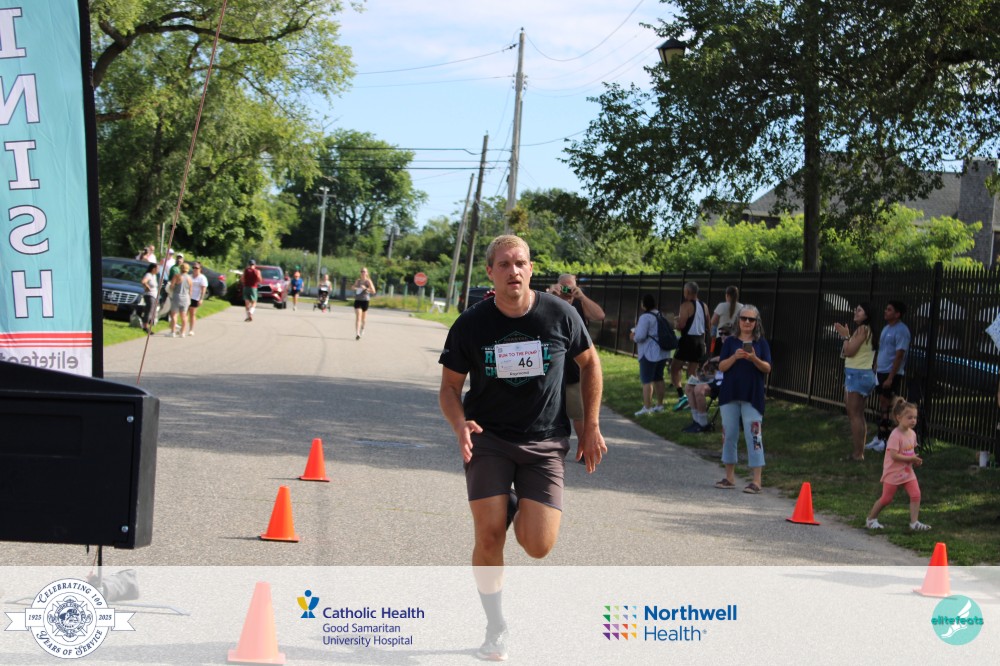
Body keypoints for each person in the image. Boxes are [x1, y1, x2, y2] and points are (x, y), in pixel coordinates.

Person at [438, 235, 607, 661]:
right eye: (504, 264)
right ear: (490, 273)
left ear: (531, 269)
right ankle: (495, 626)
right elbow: (450, 387)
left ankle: (512, 504)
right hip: (489, 439)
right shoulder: (471, 324)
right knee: (489, 534)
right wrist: (459, 424)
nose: (513, 271)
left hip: (545, 441)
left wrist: (590, 425)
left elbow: (590, 363)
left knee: (538, 545)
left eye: (520, 263)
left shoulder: (560, 314)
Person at [714, 305, 772, 494]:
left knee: (754, 435)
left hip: (752, 395)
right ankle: (729, 477)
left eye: (751, 319)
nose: (747, 322)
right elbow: (721, 367)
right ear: (738, 320)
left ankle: (756, 480)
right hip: (730, 394)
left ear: (756, 322)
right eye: (744, 318)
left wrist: (754, 358)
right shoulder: (730, 342)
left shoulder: (761, 343)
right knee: (729, 434)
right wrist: (735, 357)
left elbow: (767, 368)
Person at [548, 273, 606, 436]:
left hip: (575, 370)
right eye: (564, 286)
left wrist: (582, 297)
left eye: (571, 286)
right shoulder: (550, 301)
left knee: (580, 415)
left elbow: (600, 315)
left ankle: (584, 445)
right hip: (553, 369)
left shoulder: (580, 304)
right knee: (550, 416)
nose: (567, 290)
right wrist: (551, 295)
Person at [865, 398, 931, 531]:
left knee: (916, 494)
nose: (913, 420)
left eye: (915, 417)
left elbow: (911, 451)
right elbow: (894, 456)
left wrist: (915, 460)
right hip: (893, 472)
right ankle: (871, 519)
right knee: (886, 499)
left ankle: (914, 523)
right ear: (899, 417)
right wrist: (911, 459)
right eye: (910, 417)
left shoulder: (912, 434)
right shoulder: (895, 435)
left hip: (907, 472)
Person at [834, 303, 878, 461]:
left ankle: (858, 454)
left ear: (867, 315)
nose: (855, 312)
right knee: (859, 414)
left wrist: (845, 336)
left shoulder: (862, 329)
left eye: (859, 310)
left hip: (857, 375)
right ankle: (859, 452)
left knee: (854, 415)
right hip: (863, 374)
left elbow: (849, 351)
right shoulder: (868, 330)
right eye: (856, 309)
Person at [867, 301, 911, 452]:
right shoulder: (886, 328)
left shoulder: (902, 331)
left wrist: (891, 377)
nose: (885, 311)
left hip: (891, 372)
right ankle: (880, 436)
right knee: (883, 404)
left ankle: (888, 440)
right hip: (881, 371)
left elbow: (899, 355)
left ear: (897, 314)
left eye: (889, 309)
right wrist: (876, 366)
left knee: (890, 405)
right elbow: (882, 349)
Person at [670, 281, 710, 408]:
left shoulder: (685, 305)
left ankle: (682, 395)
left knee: (674, 368)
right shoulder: (704, 306)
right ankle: (692, 397)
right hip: (700, 341)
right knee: (692, 371)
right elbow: (708, 325)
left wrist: (676, 323)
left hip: (687, 341)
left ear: (687, 292)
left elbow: (681, 325)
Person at [630, 294, 671, 416]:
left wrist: (633, 336)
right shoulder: (660, 314)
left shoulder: (645, 317)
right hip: (662, 352)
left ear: (644, 304)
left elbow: (640, 336)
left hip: (648, 353)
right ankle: (660, 405)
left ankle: (647, 407)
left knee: (646, 380)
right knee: (659, 378)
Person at [683, 357, 721, 433]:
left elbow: (723, 357)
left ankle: (703, 424)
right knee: (689, 387)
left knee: (699, 389)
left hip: (725, 380)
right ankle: (696, 421)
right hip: (716, 377)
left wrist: (710, 360)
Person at [710, 285, 743, 354]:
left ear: (727, 295)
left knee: (719, 357)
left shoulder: (721, 306)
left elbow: (713, 321)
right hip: (736, 337)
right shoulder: (742, 307)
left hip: (721, 337)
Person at [166, 262, 193, 338]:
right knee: (184, 316)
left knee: (174, 314)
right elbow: (191, 290)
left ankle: (173, 332)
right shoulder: (190, 278)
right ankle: (182, 332)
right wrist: (189, 299)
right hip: (186, 298)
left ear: (180, 268)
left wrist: (172, 287)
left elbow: (171, 286)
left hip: (177, 296)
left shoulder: (177, 276)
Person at [186, 262, 209, 337]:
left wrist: (201, 299)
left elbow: (203, 289)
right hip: (187, 297)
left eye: (196, 268)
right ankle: (182, 329)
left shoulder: (202, 278)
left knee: (192, 313)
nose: (195, 269)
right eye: (193, 268)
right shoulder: (189, 276)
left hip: (195, 297)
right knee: (185, 313)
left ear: (200, 269)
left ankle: (191, 330)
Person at [352, 267, 375, 339]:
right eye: (362, 271)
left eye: (364, 271)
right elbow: (353, 287)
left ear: (367, 273)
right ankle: (357, 333)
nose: (363, 273)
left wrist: (365, 288)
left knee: (363, 319)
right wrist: (356, 288)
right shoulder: (358, 281)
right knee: (358, 317)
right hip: (358, 300)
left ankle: (362, 328)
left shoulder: (368, 281)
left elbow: (373, 291)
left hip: (365, 301)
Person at [139, 262, 158, 332]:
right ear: (153, 269)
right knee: (149, 310)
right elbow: (143, 281)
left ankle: (148, 325)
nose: (158, 270)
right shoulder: (148, 275)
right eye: (157, 268)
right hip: (149, 295)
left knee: (152, 311)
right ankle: (145, 327)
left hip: (154, 296)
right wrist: (147, 287)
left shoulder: (154, 276)